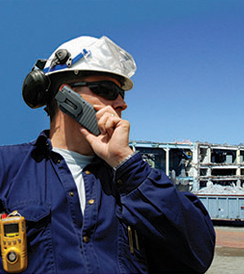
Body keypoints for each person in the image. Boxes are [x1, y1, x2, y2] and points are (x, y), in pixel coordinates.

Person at [0, 35, 215, 273]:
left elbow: (198, 255)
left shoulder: (137, 181)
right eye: (108, 90)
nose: (122, 103)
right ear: (66, 96)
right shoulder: (7, 168)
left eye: (122, 94)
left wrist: (127, 165)